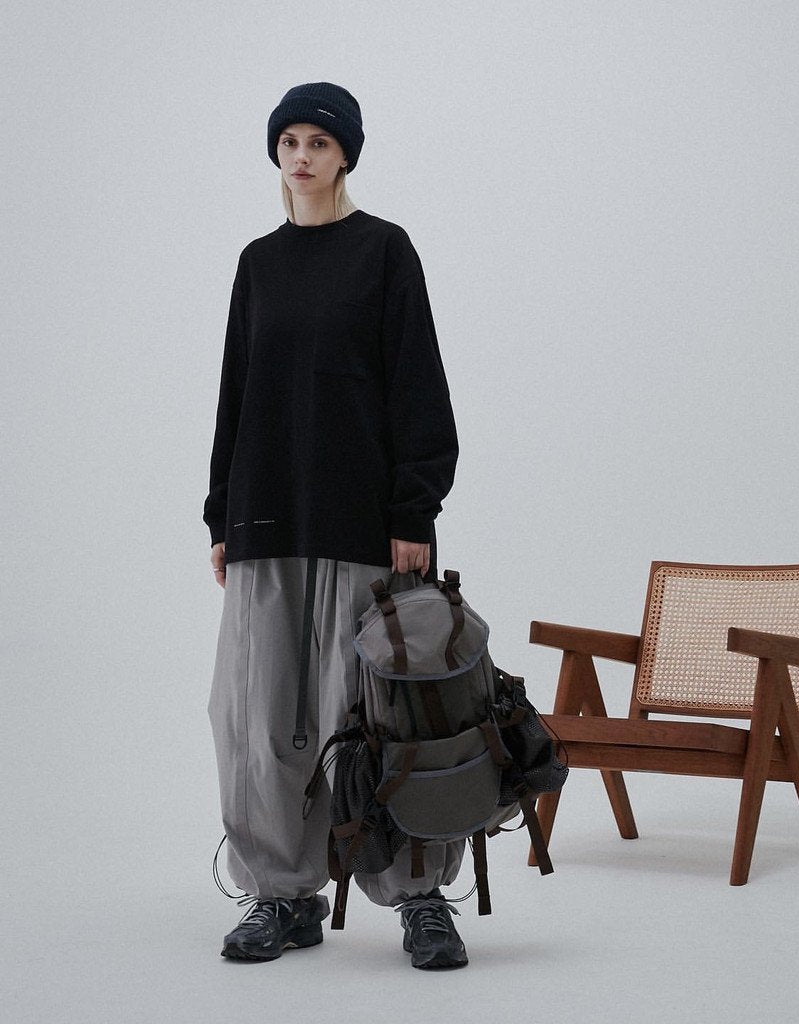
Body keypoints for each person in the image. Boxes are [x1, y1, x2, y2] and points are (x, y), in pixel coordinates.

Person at [203, 82, 466, 969]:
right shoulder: (258, 264)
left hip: (365, 526)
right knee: (258, 717)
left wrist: (414, 509)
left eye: (319, 141)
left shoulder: (384, 251)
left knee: (385, 716)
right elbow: (237, 397)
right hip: (267, 520)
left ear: (346, 153)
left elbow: (418, 385)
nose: (302, 156)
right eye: (289, 141)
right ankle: (282, 895)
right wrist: (221, 515)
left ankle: (420, 897)